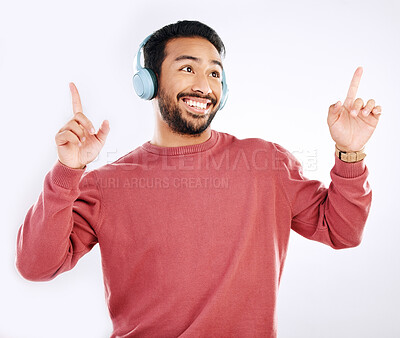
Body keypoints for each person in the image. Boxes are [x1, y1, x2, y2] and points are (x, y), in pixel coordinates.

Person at [15, 20, 382, 337]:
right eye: (188, 69)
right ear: (148, 82)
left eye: (215, 73)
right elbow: (36, 266)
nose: (205, 85)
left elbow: (342, 232)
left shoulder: (266, 163)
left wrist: (350, 154)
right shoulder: (107, 184)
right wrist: (68, 172)